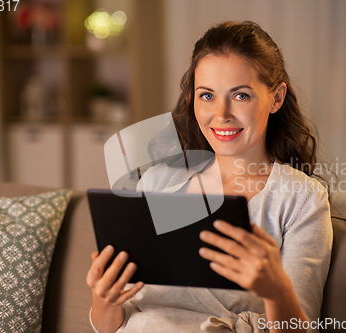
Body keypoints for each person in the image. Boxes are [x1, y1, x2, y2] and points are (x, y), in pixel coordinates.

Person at [86, 21, 333, 333]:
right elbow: (108, 326)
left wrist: (276, 291)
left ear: (276, 98)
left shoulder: (300, 198)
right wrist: (103, 298)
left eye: (241, 96)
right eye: (207, 96)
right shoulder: (155, 184)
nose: (221, 114)